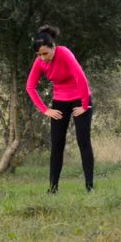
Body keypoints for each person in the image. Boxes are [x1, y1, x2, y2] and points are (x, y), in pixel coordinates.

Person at [26, 25, 94, 194]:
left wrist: (84, 106)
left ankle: (89, 187)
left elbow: (81, 78)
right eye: (39, 55)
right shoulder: (40, 62)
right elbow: (30, 87)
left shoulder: (64, 53)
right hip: (60, 101)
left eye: (45, 53)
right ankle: (53, 189)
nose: (42, 58)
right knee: (57, 144)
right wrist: (45, 110)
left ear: (53, 47)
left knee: (83, 141)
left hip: (79, 97)